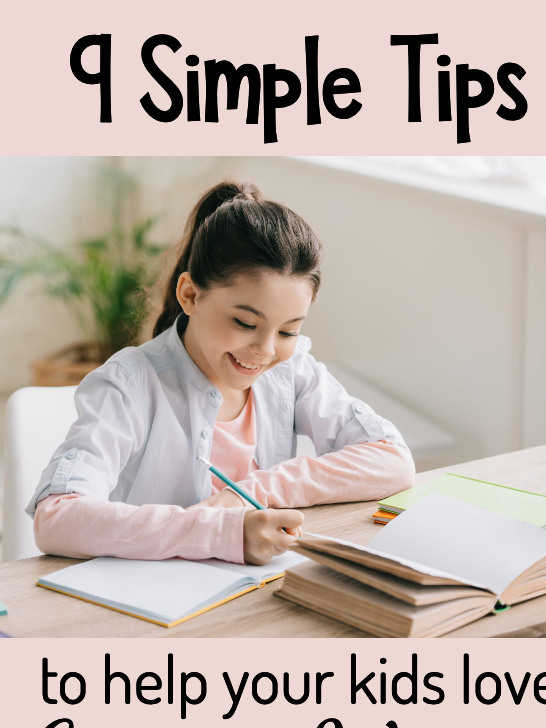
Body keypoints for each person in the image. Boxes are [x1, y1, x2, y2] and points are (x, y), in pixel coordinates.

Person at [28, 180, 415, 565]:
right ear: (190, 295)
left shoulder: (291, 371)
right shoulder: (130, 384)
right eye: (245, 323)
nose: (264, 351)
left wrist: (260, 488)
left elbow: (392, 461)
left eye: (288, 331)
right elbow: (56, 516)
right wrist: (220, 531)